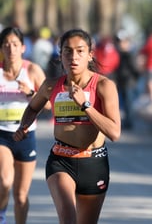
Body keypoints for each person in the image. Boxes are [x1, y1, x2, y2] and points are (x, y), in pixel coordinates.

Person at [13, 28, 121, 224]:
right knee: (68, 219)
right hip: (61, 161)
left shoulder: (104, 85)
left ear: (90, 55)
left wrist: (85, 105)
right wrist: (24, 126)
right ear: (60, 54)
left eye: (80, 51)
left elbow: (114, 132)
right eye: (67, 51)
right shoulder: (50, 85)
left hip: (93, 163)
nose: (73, 57)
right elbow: (32, 108)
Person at [0, 26, 50, 224]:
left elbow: (50, 104)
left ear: (22, 47)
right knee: (4, 180)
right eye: (6, 45)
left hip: (26, 136)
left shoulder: (32, 70)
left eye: (15, 44)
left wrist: (31, 93)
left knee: (21, 196)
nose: (10, 49)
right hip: (2, 135)